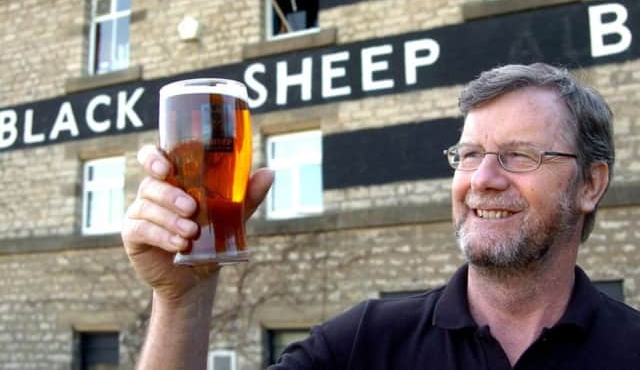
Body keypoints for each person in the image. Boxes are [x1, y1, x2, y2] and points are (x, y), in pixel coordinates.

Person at [122, 63, 640, 369]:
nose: (482, 179)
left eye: (519, 155)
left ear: (590, 184)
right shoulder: (362, 345)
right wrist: (180, 300)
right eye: (469, 155)